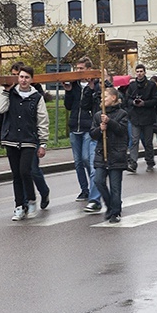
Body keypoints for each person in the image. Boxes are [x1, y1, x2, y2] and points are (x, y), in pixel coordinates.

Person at [0, 66, 49, 221]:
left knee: (26, 171)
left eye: (27, 77)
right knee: (16, 175)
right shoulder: (10, 94)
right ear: (17, 78)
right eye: (21, 77)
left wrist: (43, 143)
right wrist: (6, 91)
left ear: (31, 79)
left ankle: (31, 200)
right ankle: (19, 206)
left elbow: (43, 120)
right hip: (11, 139)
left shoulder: (36, 97)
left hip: (28, 139)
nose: (23, 80)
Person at [63, 56, 102, 212]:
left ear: (88, 69)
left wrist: (93, 89)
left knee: (87, 159)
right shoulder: (75, 85)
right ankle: (84, 190)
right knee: (78, 161)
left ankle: (94, 194)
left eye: (81, 68)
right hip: (75, 126)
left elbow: (95, 105)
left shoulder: (95, 85)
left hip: (88, 127)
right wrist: (68, 92)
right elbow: (68, 106)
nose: (77, 71)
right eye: (77, 68)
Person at [90, 87, 129, 224]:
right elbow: (92, 134)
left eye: (105, 97)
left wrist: (109, 122)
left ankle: (115, 212)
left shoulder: (122, 114)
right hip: (102, 153)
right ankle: (110, 205)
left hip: (116, 154)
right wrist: (100, 129)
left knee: (115, 186)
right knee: (98, 180)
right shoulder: (98, 115)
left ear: (113, 98)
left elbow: (121, 131)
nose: (102, 99)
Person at [124, 64, 157, 172]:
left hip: (148, 116)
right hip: (135, 117)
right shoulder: (132, 86)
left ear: (145, 72)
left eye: (141, 71)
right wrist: (133, 102)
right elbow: (127, 99)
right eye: (137, 71)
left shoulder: (151, 85)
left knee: (148, 142)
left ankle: (150, 161)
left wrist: (144, 103)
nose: (139, 73)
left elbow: (156, 100)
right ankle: (133, 162)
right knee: (134, 141)